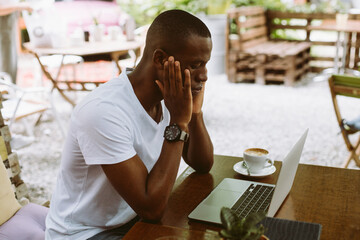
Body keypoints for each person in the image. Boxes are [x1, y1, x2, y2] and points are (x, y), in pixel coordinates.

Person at [45, 9, 214, 239]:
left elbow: (202, 164)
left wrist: (195, 113)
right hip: (86, 233)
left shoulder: (169, 99)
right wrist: (178, 123)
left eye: (205, 64)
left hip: (133, 219)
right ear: (161, 59)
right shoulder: (103, 112)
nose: (204, 75)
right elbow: (151, 208)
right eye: (195, 65)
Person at [0, 0, 32, 83]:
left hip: (9, 16)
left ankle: (9, 91)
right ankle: (6, 93)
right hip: (4, 19)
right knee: (6, 62)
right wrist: (21, 6)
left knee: (10, 60)